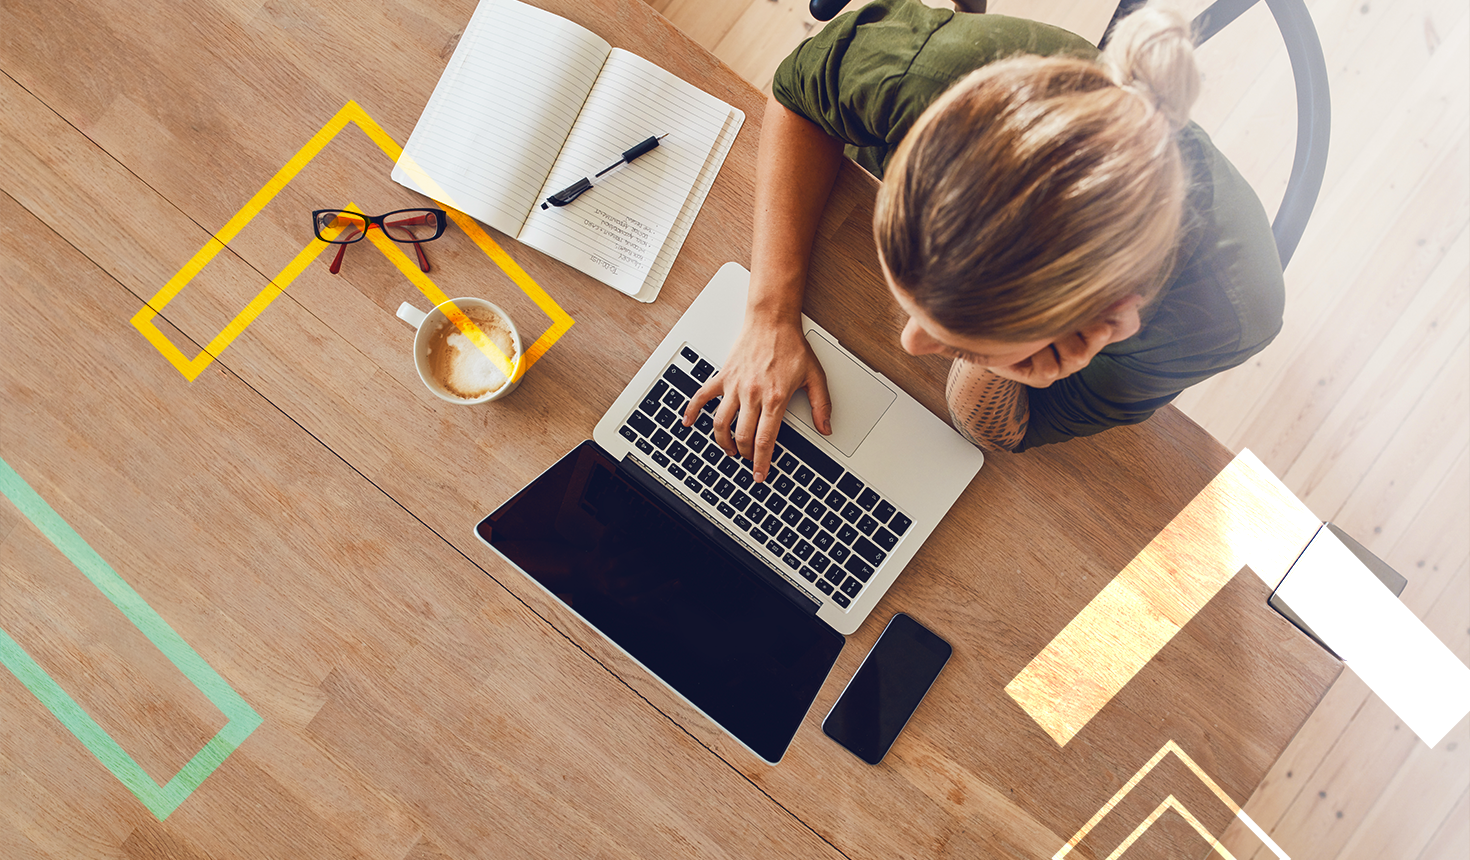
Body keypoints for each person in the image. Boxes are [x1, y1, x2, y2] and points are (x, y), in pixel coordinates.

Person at [682, 0, 1285, 482]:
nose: (911, 342)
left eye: (961, 343)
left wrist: (1013, 374)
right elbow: (801, 94)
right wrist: (769, 313)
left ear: (1106, 323)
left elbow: (995, 427)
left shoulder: (1219, 322)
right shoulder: (934, 78)